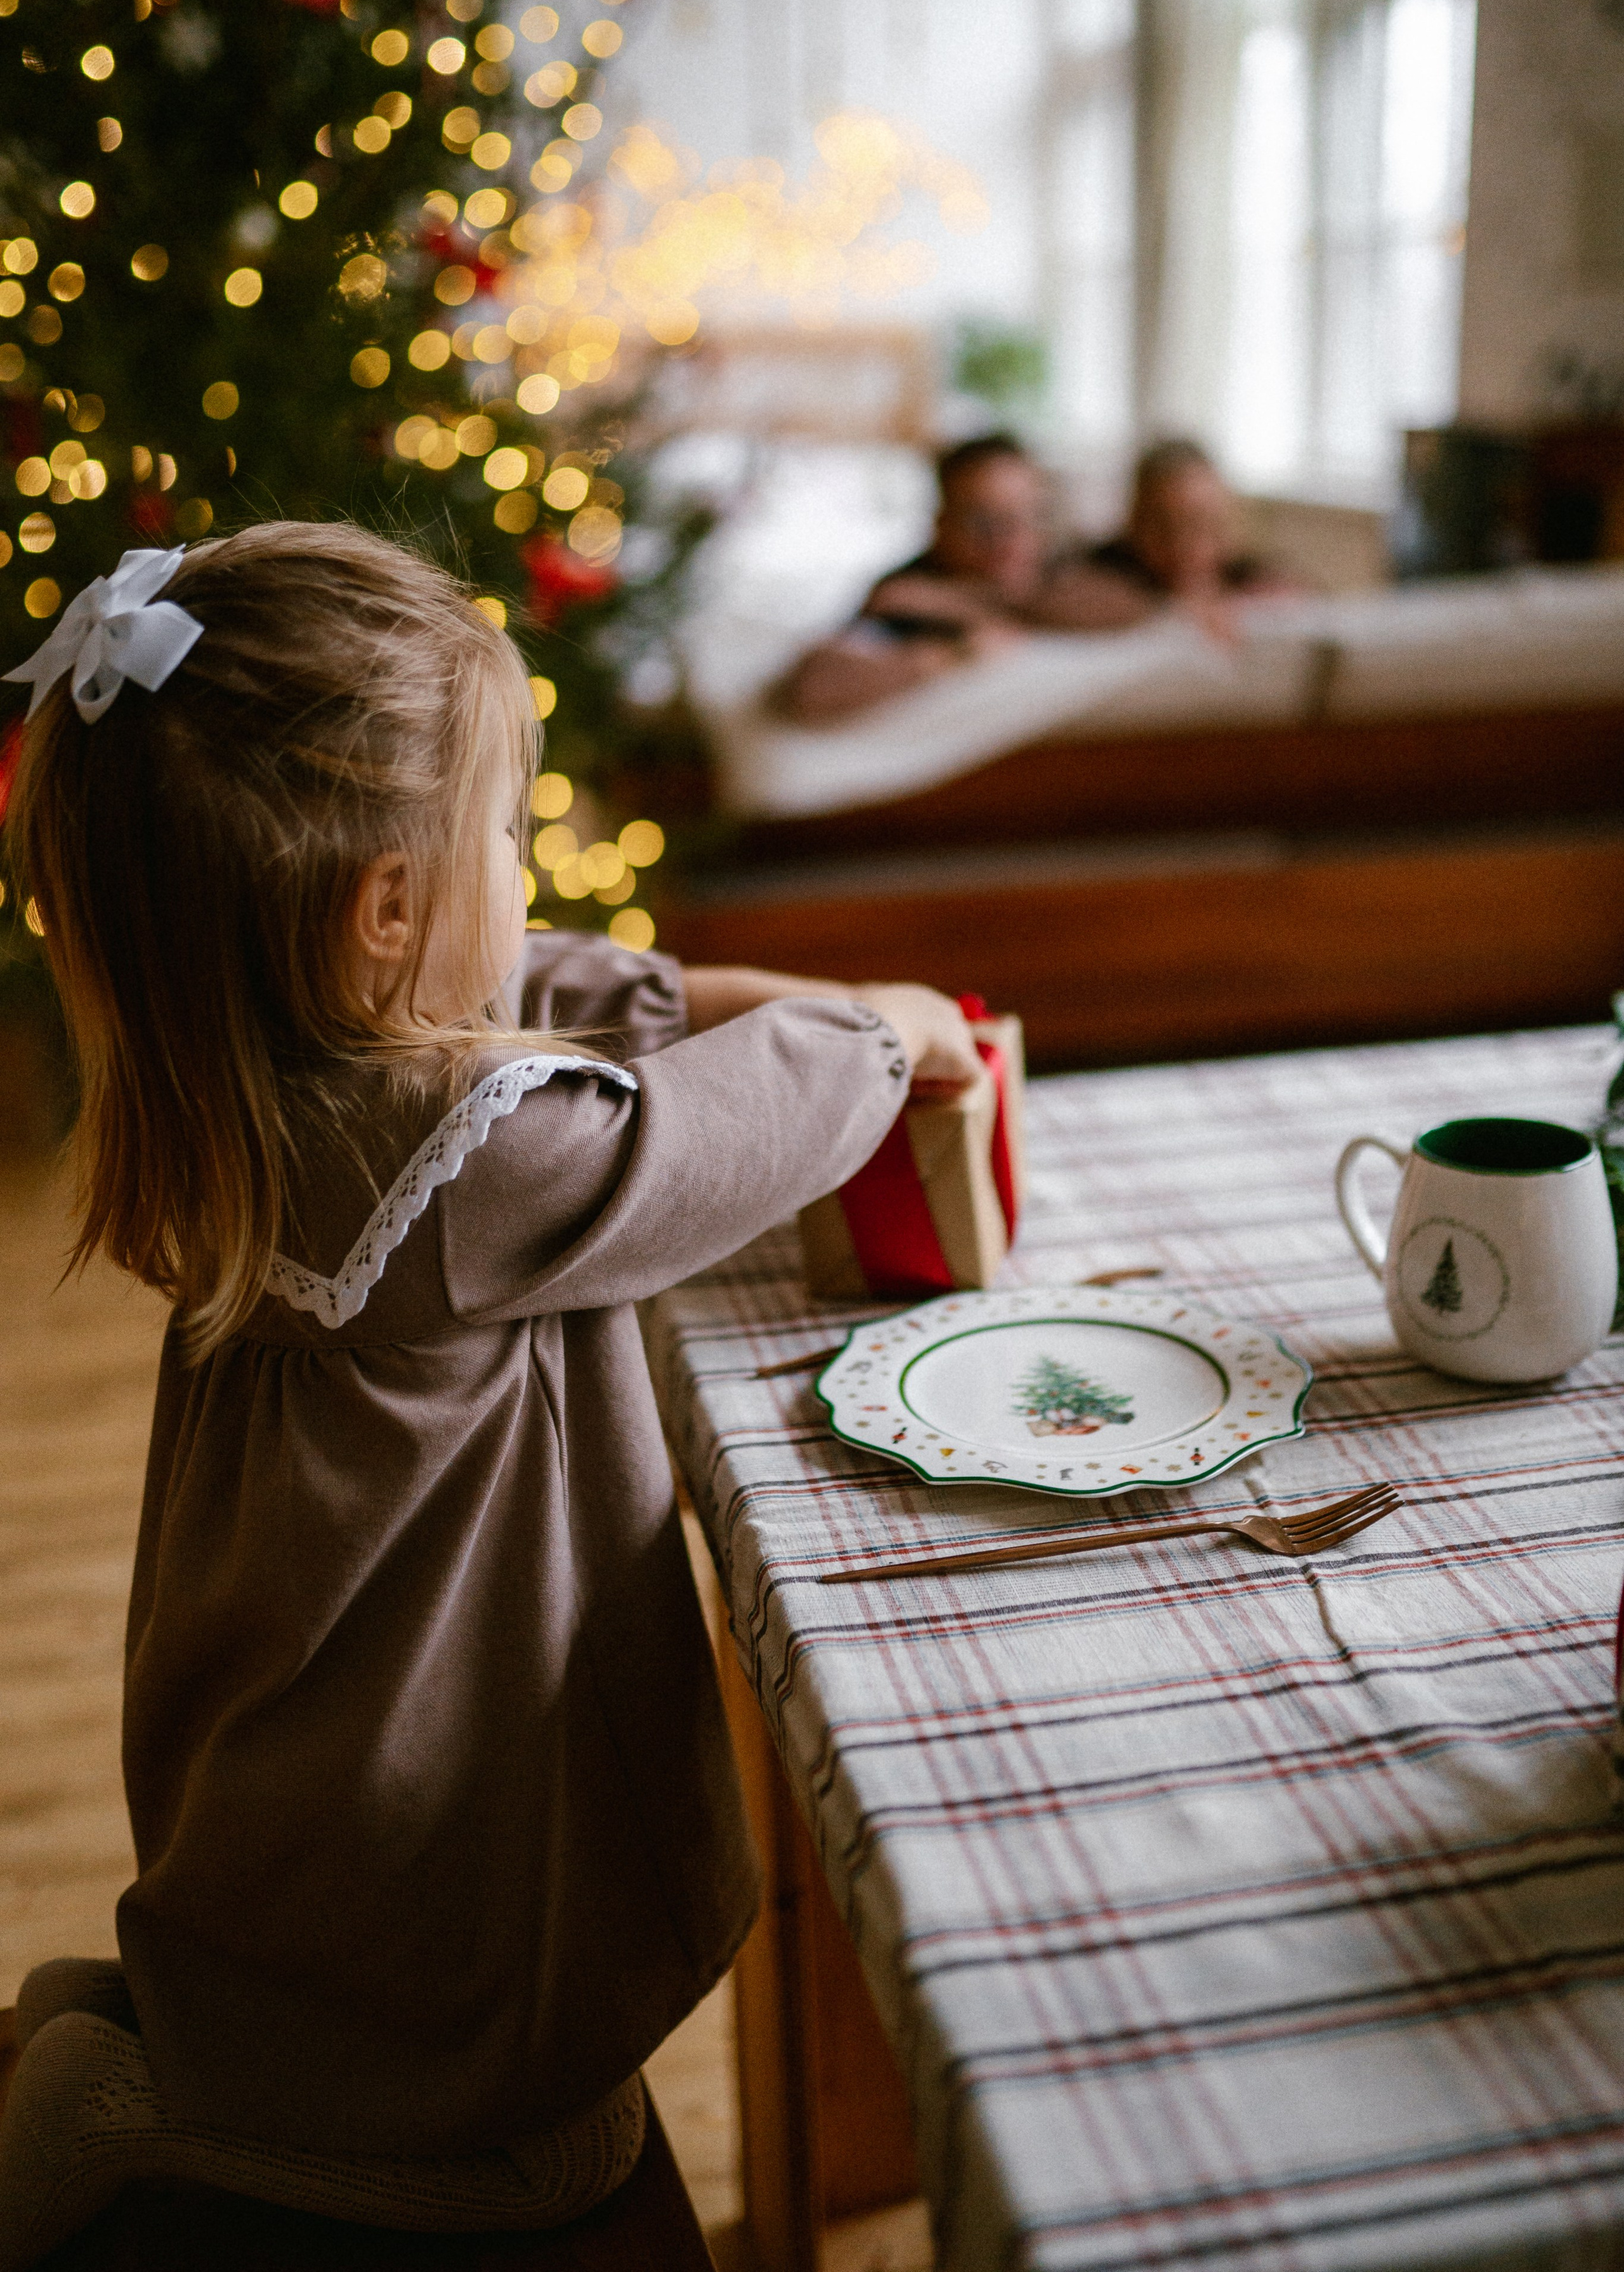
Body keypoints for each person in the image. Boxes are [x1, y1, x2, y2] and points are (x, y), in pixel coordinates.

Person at [0, 525, 981, 2264]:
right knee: (506, 2118)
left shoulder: (244, 1061)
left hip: (290, 1740)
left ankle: (165, 2049)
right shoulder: (471, 1166)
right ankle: (147, 2116)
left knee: (311, 1982)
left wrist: (715, 989)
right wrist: (886, 1025)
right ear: (384, 910)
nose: (524, 873)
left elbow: (520, 991)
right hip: (430, 1801)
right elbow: (706, 1132)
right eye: (506, 839)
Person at [777, 432, 1145, 725]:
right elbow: (813, 691)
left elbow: (1129, 606)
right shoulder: (904, 596)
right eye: (984, 524)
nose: (1011, 542)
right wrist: (952, 656)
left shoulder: (1048, 566)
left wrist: (963, 603)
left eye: (1030, 517)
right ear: (941, 526)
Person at [1086, 438, 1293, 632]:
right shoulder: (1107, 571)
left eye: (1204, 525)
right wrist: (1177, 608)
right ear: (1135, 524)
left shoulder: (1247, 578)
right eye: (1166, 527)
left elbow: (1295, 597)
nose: (1185, 545)